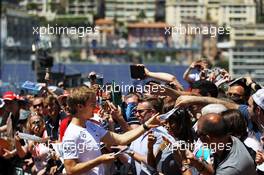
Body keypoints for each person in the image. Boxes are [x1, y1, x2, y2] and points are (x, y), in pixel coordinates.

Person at [62, 86, 160, 175]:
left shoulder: (90, 125)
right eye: (92, 104)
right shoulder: (71, 134)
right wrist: (99, 160)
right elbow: (70, 169)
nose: (96, 107)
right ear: (80, 107)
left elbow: (122, 139)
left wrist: (146, 125)